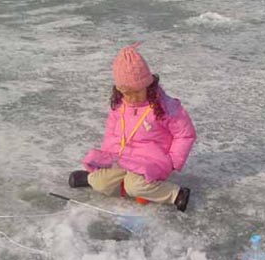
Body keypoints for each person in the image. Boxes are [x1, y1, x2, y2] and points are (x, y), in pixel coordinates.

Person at [69, 43, 196, 212]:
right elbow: (111, 132)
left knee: (135, 186)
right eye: (126, 93)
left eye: (137, 92)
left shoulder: (164, 106)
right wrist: (108, 154)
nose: (132, 97)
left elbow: (184, 134)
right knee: (101, 182)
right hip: (122, 158)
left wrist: (173, 161)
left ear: (148, 85)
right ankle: (91, 178)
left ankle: (175, 194)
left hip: (152, 162)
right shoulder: (120, 105)